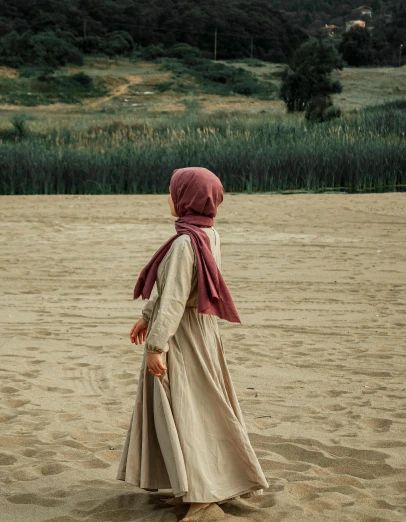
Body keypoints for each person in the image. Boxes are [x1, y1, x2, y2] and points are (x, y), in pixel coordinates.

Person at [117, 167, 269, 522]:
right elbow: (175, 288)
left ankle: (203, 495)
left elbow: (173, 297)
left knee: (191, 409)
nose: (169, 198)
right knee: (202, 404)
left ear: (186, 199)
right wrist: (147, 312)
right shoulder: (207, 234)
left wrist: (156, 345)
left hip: (182, 334)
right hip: (202, 328)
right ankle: (194, 486)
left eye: (173, 192)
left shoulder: (186, 242)